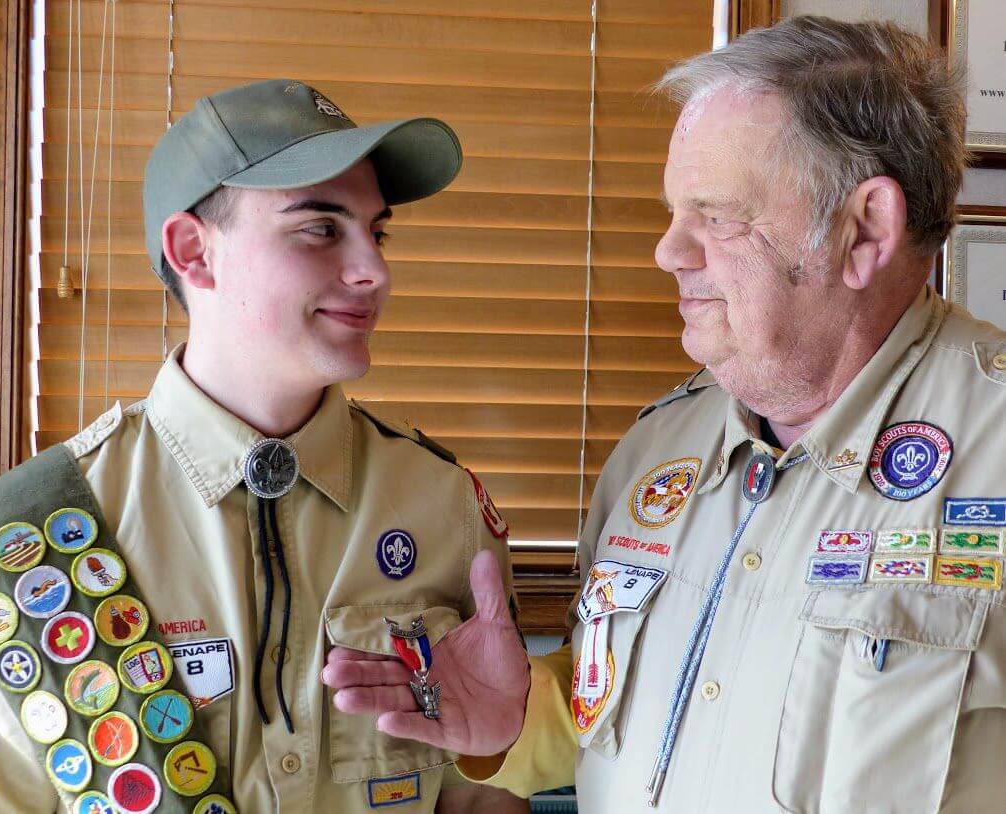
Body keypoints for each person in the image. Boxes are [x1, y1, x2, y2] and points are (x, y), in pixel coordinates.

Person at [323, 16, 1006, 813]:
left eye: (715, 215)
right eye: (674, 213)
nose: (667, 251)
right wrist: (516, 724)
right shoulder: (657, 448)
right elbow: (616, 718)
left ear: (865, 230)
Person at [0, 79, 526, 814]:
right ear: (194, 251)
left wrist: (491, 750)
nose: (374, 271)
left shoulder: (441, 503)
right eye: (321, 228)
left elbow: (471, 791)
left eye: (376, 232)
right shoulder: (20, 540)